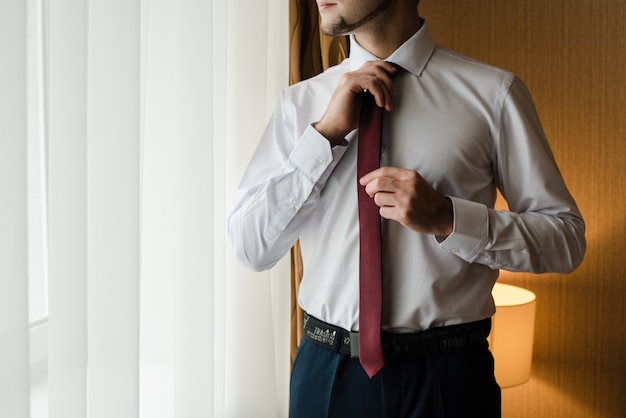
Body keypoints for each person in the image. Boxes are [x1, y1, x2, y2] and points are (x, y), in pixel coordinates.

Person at [227, 0, 586, 416]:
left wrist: (450, 219)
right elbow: (251, 248)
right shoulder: (300, 105)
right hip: (326, 375)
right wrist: (323, 137)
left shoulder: (493, 95)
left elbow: (565, 240)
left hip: (449, 378)